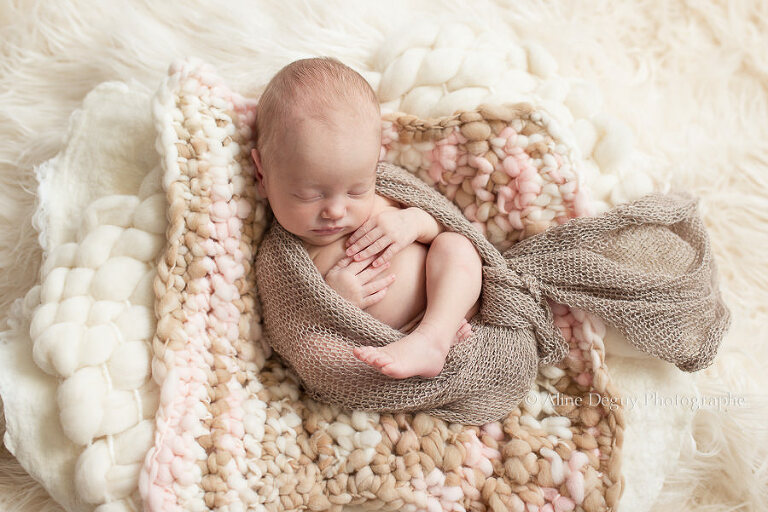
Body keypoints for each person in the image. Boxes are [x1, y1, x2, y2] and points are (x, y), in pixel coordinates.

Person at [251, 57, 483, 379]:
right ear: (262, 174)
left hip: (448, 311)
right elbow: (290, 329)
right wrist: (333, 302)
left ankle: (433, 337)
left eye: (357, 190)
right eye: (310, 195)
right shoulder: (280, 259)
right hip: (375, 351)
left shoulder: (388, 194)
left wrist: (414, 222)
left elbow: (449, 223)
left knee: (456, 246)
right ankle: (427, 348)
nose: (335, 211)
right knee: (315, 354)